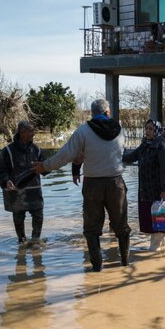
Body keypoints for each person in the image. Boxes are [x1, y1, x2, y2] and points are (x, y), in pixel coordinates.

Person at [33, 99, 131, 272]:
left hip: (93, 184)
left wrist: (44, 166)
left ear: (92, 114)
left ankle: (96, 268)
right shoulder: (120, 130)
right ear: (107, 113)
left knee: (92, 230)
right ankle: (124, 263)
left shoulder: (83, 131)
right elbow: (118, 153)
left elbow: (65, 155)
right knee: (121, 226)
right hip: (116, 183)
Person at [123, 119, 165, 251]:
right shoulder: (145, 145)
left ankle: (153, 251)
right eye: (146, 129)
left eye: (151, 129)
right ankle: (162, 249)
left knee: (158, 217)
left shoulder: (162, 146)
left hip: (159, 190)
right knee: (154, 218)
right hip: (146, 190)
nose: (148, 131)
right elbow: (131, 157)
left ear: (157, 130)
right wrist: (116, 154)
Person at [0, 121, 47, 245]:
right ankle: (22, 241)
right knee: (18, 218)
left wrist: (52, 165)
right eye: (30, 131)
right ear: (21, 132)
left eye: (33, 130)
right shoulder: (8, 151)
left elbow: (45, 167)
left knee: (38, 216)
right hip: (17, 192)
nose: (33, 133)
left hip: (35, 191)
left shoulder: (36, 149)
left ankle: (35, 241)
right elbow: (1, 171)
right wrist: (6, 181)